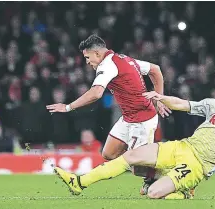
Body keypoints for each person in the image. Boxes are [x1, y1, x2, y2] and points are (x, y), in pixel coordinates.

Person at [54, 70, 215, 200]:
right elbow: (183, 104)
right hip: (182, 147)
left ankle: (183, 191)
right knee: (131, 156)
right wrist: (160, 96)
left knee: (153, 193)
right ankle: (79, 183)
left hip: (197, 166)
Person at [47, 34, 170, 188]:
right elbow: (155, 70)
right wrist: (159, 98)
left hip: (142, 119)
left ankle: (174, 174)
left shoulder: (107, 65)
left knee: (137, 169)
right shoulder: (123, 59)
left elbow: (96, 93)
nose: (87, 62)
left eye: (87, 57)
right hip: (128, 117)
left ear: (97, 53)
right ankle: (149, 174)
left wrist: (68, 107)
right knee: (109, 153)